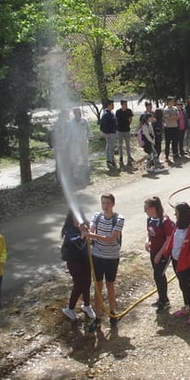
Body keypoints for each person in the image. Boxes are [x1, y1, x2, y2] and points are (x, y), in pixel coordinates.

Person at [82, 193, 124, 328]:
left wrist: (90, 235)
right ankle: (98, 315)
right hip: (97, 256)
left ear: (113, 204)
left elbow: (110, 238)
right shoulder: (96, 216)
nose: (105, 206)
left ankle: (112, 312)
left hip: (112, 257)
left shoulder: (119, 219)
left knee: (110, 285)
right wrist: (87, 231)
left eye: (108, 203)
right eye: (103, 203)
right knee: (98, 285)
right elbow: (92, 230)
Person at [164, 202, 190, 326]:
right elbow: (173, 240)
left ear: (183, 214)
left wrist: (185, 264)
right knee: (182, 286)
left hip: (185, 264)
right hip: (176, 261)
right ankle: (187, 307)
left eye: (177, 212)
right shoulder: (179, 224)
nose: (175, 214)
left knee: (186, 287)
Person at [60, 210, 95, 321]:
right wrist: (81, 235)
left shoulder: (85, 226)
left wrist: (90, 233)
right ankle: (70, 309)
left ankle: (87, 305)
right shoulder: (68, 229)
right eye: (75, 216)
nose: (77, 218)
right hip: (74, 261)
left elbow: (91, 241)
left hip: (86, 259)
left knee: (87, 282)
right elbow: (72, 241)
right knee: (79, 284)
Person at [144, 196, 175, 311]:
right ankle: (161, 297)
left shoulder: (164, 221)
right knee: (157, 276)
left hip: (162, 253)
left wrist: (160, 254)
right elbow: (149, 232)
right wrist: (147, 241)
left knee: (159, 275)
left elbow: (168, 239)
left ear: (153, 208)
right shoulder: (150, 219)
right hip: (154, 251)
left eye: (146, 208)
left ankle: (165, 300)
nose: (145, 211)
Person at [68, 107, 92, 184]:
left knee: (85, 157)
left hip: (84, 142)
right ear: (74, 113)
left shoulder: (84, 120)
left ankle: (87, 171)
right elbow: (69, 134)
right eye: (78, 112)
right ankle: (76, 174)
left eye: (80, 112)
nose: (80, 114)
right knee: (76, 158)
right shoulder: (71, 122)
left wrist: (87, 137)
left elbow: (88, 130)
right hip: (75, 143)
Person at [51, 109, 70, 183]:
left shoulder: (67, 124)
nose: (68, 116)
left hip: (66, 147)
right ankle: (60, 179)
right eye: (67, 115)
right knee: (60, 163)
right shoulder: (57, 124)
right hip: (59, 147)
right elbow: (56, 136)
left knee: (67, 162)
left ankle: (67, 178)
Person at [100, 100, 118, 169]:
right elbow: (104, 125)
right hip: (109, 133)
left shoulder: (111, 113)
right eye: (111, 105)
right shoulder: (106, 114)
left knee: (108, 147)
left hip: (112, 132)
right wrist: (106, 133)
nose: (113, 106)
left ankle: (108, 160)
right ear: (108, 105)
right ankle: (112, 161)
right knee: (111, 148)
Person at [115, 100, 135, 166]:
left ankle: (129, 156)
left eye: (126, 104)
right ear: (121, 105)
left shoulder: (129, 111)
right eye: (124, 104)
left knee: (128, 144)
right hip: (120, 130)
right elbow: (116, 120)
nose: (125, 105)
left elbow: (131, 118)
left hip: (127, 130)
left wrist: (128, 124)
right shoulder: (118, 112)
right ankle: (121, 157)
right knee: (120, 145)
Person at [162, 96, 180, 162]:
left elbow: (178, 117)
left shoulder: (175, 108)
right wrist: (174, 117)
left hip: (175, 127)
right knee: (168, 142)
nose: (173, 102)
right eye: (172, 101)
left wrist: (172, 117)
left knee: (175, 141)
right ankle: (166, 155)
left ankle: (175, 154)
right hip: (168, 128)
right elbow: (167, 118)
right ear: (168, 102)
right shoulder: (166, 109)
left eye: (173, 101)